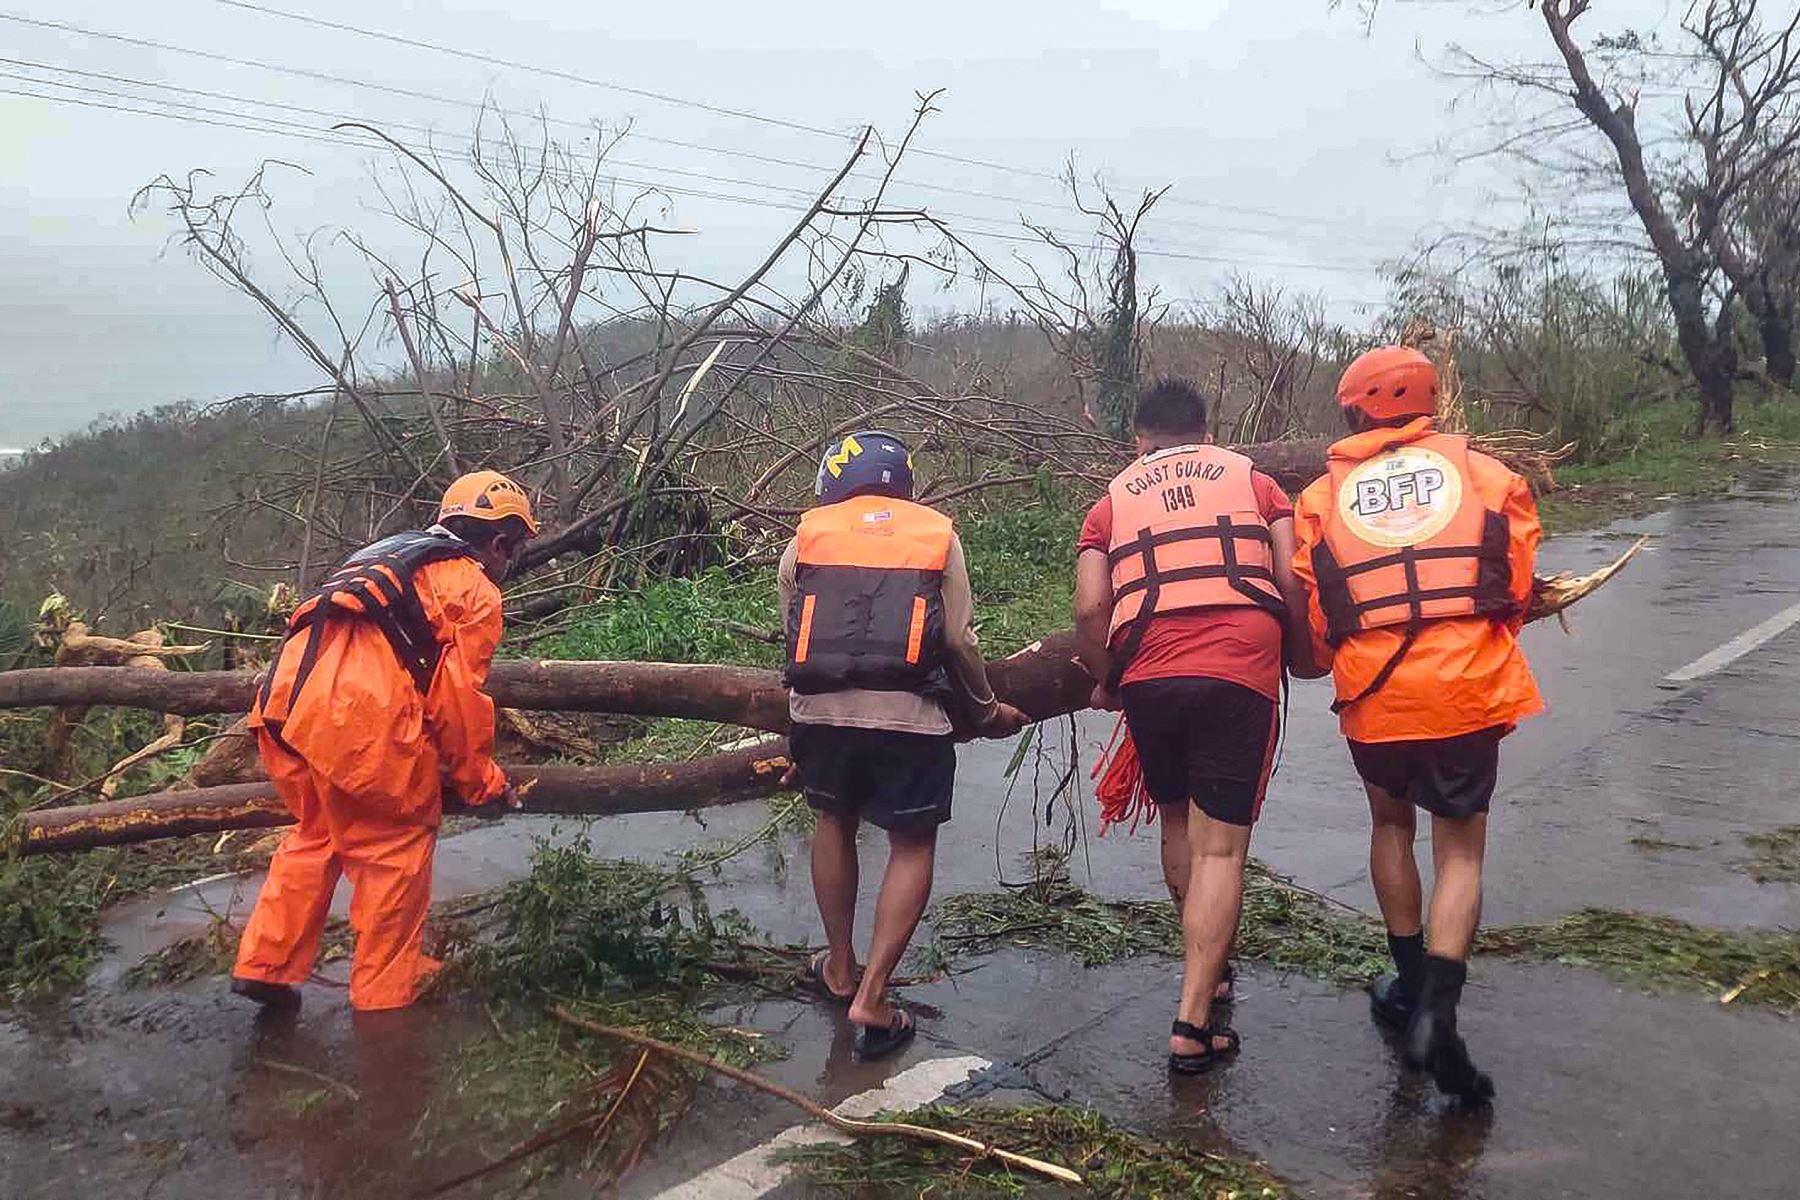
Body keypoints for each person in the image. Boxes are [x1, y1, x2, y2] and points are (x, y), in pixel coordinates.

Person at [1290, 346, 1543, 1105]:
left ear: (1354, 410)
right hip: (1466, 690)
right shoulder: (1491, 477)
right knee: (1460, 851)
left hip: (1376, 697)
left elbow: (1318, 614)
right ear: (1430, 403)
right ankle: (1438, 1008)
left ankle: (1407, 988)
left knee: (1390, 827)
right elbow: (1517, 591)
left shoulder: (1319, 499)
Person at [231, 471, 536, 1013]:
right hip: (353, 723)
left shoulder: (385, 555)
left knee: (317, 834)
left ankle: (266, 965)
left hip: (280, 711)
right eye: (514, 550)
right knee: (393, 850)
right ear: (500, 542)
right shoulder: (474, 588)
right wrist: (482, 783)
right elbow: (457, 701)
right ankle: (385, 1006)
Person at [1073, 379, 1310, 1074]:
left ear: (1138, 440)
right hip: (1238, 663)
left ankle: (1209, 972)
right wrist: (1300, 652)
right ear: (1207, 434)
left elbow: (1092, 609)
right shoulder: (1255, 482)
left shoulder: (1110, 501)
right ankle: (1193, 1019)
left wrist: (1107, 677)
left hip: (1150, 668)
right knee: (1222, 852)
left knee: (1177, 822)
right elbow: (1291, 578)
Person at [782, 429, 1028, 1061]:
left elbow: (793, 632)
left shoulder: (805, 537)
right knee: (911, 843)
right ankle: (873, 993)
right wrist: (985, 709)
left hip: (820, 715)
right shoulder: (937, 535)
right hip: (909, 717)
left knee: (833, 822)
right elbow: (958, 641)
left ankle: (839, 967)